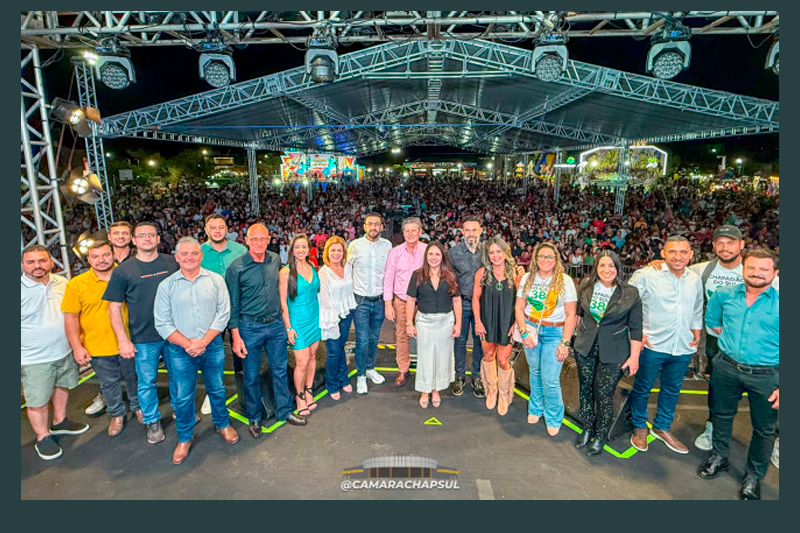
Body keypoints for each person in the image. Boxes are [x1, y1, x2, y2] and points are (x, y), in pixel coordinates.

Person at [697, 248, 779, 500]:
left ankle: (754, 476)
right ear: (743, 269)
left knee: (764, 430)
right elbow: (713, 324)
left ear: (775, 273)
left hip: (768, 375)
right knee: (721, 416)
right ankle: (719, 456)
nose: (756, 273)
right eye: (751, 268)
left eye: (763, 269)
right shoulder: (724, 295)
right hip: (726, 368)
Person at [154, 237, 237, 465]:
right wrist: (188, 344)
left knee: (217, 389)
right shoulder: (166, 286)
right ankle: (184, 437)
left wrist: (203, 342)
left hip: (212, 346)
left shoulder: (216, 280)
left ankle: (222, 424)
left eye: (194, 253)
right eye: (184, 254)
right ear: (177, 257)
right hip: (180, 351)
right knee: (182, 397)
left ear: (201, 256)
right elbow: (162, 322)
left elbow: (223, 313)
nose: (189, 258)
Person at [226, 224, 307, 440]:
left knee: (279, 370)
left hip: (275, 325)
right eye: (255, 239)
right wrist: (235, 336)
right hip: (249, 327)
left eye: (263, 239)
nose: (259, 243)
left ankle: (285, 411)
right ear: (247, 240)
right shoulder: (236, 268)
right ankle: (255, 417)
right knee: (251, 375)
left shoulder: (275, 261)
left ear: (269, 238)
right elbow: (232, 306)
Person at [103, 221, 178, 445]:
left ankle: (180, 411)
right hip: (143, 337)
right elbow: (113, 307)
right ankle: (152, 422)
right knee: (146, 381)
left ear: (157, 239)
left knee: (179, 376)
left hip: (174, 334)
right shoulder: (123, 270)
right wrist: (123, 340)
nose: (147, 238)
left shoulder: (172, 263)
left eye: (151, 235)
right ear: (134, 241)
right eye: (141, 235)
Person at [628, 235, 704, 454]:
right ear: (663, 253)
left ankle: (662, 427)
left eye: (683, 252)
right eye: (672, 252)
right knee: (642, 388)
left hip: (682, 345)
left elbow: (697, 308)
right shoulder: (646, 275)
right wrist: (638, 333)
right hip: (652, 344)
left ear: (691, 255)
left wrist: (696, 331)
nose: (677, 257)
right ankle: (640, 426)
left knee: (672, 389)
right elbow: (628, 302)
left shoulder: (694, 279)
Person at [62, 240, 140, 437]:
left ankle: (139, 407)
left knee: (135, 379)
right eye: (95, 256)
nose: (101, 260)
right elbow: (70, 318)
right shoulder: (76, 284)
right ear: (88, 259)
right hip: (97, 345)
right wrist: (77, 347)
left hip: (130, 342)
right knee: (108, 383)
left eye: (105, 255)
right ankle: (117, 414)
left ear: (113, 255)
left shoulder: (128, 275)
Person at [21, 245, 89, 460]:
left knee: (62, 386)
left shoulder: (62, 283)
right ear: (23, 265)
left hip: (63, 350)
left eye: (42, 260)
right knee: (37, 401)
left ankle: (60, 421)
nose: (37, 266)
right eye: (30, 262)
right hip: (34, 357)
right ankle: (43, 436)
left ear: (51, 262)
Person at [573, 250, 643, 456]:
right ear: (596, 268)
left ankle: (601, 435)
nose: (607, 270)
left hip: (614, 351)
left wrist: (634, 356)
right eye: (602, 265)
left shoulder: (630, 293)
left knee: (603, 394)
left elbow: (636, 328)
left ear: (617, 268)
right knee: (585, 389)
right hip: (585, 348)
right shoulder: (586, 287)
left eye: (611, 265)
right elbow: (579, 315)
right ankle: (587, 427)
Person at [515, 242, 577, 436]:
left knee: (550, 378)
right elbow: (518, 307)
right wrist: (524, 331)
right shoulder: (527, 278)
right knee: (535, 371)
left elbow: (570, 314)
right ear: (535, 259)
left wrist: (565, 342)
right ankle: (535, 408)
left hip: (554, 333)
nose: (545, 260)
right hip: (531, 329)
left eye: (550, 257)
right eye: (541, 256)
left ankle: (553, 417)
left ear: (556, 259)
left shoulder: (565, 281)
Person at [84, 220, 136, 419]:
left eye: (125, 233)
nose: (121, 236)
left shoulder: (138, 258)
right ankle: (106, 399)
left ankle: (139, 406)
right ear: (110, 238)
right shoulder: (99, 261)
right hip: (103, 332)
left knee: (134, 375)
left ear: (131, 237)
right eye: (116, 233)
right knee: (108, 377)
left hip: (133, 327)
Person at [199, 213, 248, 416]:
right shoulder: (198, 252)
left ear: (227, 228)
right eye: (213, 227)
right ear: (206, 230)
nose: (217, 230)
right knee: (213, 356)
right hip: (211, 311)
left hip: (240, 307)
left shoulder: (240, 250)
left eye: (221, 227)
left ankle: (247, 390)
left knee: (243, 350)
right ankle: (213, 393)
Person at [406, 241, 462, 409]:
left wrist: (458, 323)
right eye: (431, 254)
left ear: (442, 257)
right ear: (426, 256)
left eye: (437, 254)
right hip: (425, 322)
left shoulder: (451, 275)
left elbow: (457, 300)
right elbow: (410, 300)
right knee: (425, 358)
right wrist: (409, 323)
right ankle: (425, 390)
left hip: (446, 322)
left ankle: (436, 390)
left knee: (442, 358)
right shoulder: (417, 275)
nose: (434, 257)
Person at [347, 213, 392, 395]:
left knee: (374, 338)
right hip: (361, 301)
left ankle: (370, 368)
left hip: (379, 300)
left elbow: (389, 273)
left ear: (382, 227)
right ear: (364, 226)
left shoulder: (387, 246)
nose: (373, 227)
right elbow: (347, 270)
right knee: (363, 339)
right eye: (370, 224)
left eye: (377, 224)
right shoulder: (355, 246)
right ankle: (360, 375)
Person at [472, 237, 517, 415]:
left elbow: (521, 302)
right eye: (492, 252)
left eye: (499, 251)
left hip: (507, 321)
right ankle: (492, 390)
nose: (495, 255)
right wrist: (477, 322)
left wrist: (516, 324)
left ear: (506, 252)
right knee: (488, 355)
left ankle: (505, 394)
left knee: (503, 360)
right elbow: (475, 298)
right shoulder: (482, 273)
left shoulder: (516, 274)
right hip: (486, 321)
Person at [280, 234, 322, 418]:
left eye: (304, 247)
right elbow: (283, 303)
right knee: (302, 362)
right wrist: (289, 327)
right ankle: (299, 397)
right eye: (297, 247)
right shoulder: (286, 272)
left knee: (313, 357)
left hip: (314, 320)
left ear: (309, 248)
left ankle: (309, 390)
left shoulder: (312, 266)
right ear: (292, 250)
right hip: (297, 322)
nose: (301, 250)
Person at [383, 217, 426, 387]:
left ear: (420, 232)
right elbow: (388, 278)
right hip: (401, 300)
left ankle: (426, 369)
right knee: (401, 335)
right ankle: (403, 369)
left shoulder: (427, 250)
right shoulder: (395, 252)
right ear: (403, 233)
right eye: (407, 231)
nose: (410, 234)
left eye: (413, 230)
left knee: (426, 336)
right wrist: (388, 303)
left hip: (423, 302)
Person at [447, 216, 486, 398]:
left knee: (480, 340)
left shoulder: (487, 251)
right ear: (462, 232)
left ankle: (476, 376)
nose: (471, 234)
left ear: (480, 231)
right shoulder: (453, 253)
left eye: (474, 230)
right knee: (460, 340)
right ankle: (460, 375)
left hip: (482, 304)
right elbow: (449, 280)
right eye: (467, 230)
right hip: (461, 303)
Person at [318, 236, 357, 401]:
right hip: (331, 316)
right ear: (327, 252)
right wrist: (331, 321)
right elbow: (325, 301)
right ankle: (332, 384)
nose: (336, 253)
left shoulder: (347, 267)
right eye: (332, 250)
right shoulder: (323, 273)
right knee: (333, 351)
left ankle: (343, 378)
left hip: (347, 313)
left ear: (344, 252)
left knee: (340, 347)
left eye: (339, 250)